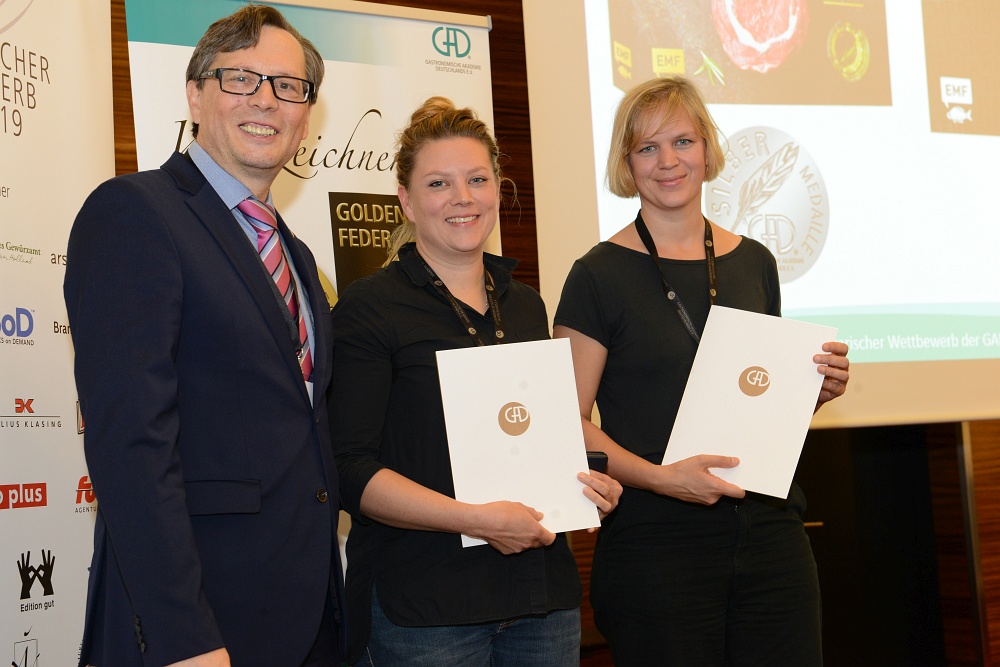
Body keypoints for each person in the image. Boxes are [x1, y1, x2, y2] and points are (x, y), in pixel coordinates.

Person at [64, 6, 344, 667]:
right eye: (241, 79)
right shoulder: (135, 212)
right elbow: (132, 445)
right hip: (199, 627)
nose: (266, 101)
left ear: (306, 115)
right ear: (195, 95)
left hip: (304, 619)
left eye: (289, 86)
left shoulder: (299, 256)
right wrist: (183, 637)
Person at [553, 76, 851, 666]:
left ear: (708, 150)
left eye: (683, 142)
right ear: (626, 164)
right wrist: (662, 479)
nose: (668, 161)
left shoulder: (755, 262)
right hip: (656, 547)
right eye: (648, 147)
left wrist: (810, 392)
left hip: (770, 535)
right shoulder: (597, 276)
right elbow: (565, 422)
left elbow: (759, 401)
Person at [329, 97, 622, 667]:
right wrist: (477, 520)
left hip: (541, 601)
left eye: (477, 179)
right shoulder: (370, 308)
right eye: (439, 183)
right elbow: (350, 471)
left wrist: (587, 486)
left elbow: (536, 434)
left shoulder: (528, 305)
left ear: (497, 189)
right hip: (428, 609)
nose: (462, 197)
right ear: (406, 200)